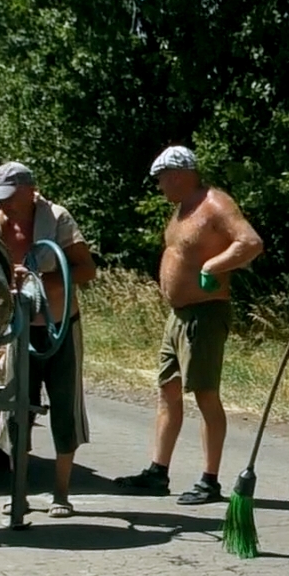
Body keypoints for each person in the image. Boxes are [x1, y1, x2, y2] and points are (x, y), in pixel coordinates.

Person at [114, 146, 264, 503]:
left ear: (179, 175)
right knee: (168, 391)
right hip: (178, 316)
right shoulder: (183, 209)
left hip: (205, 314)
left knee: (205, 395)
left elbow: (251, 242)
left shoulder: (215, 205)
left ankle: (209, 481)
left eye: (162, 179)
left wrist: (214, 266)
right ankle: (157, 472)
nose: (160, 187)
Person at [0, 161, 97, 518]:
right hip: (20, 329)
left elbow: (86, 269)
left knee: (65, 407)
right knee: (18, 409)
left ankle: (61, 493)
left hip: (60, 326)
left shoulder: (58, 219)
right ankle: (19, 491)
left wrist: (39, 279)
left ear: (30, 191)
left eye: (9, 198)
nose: (4, 205)